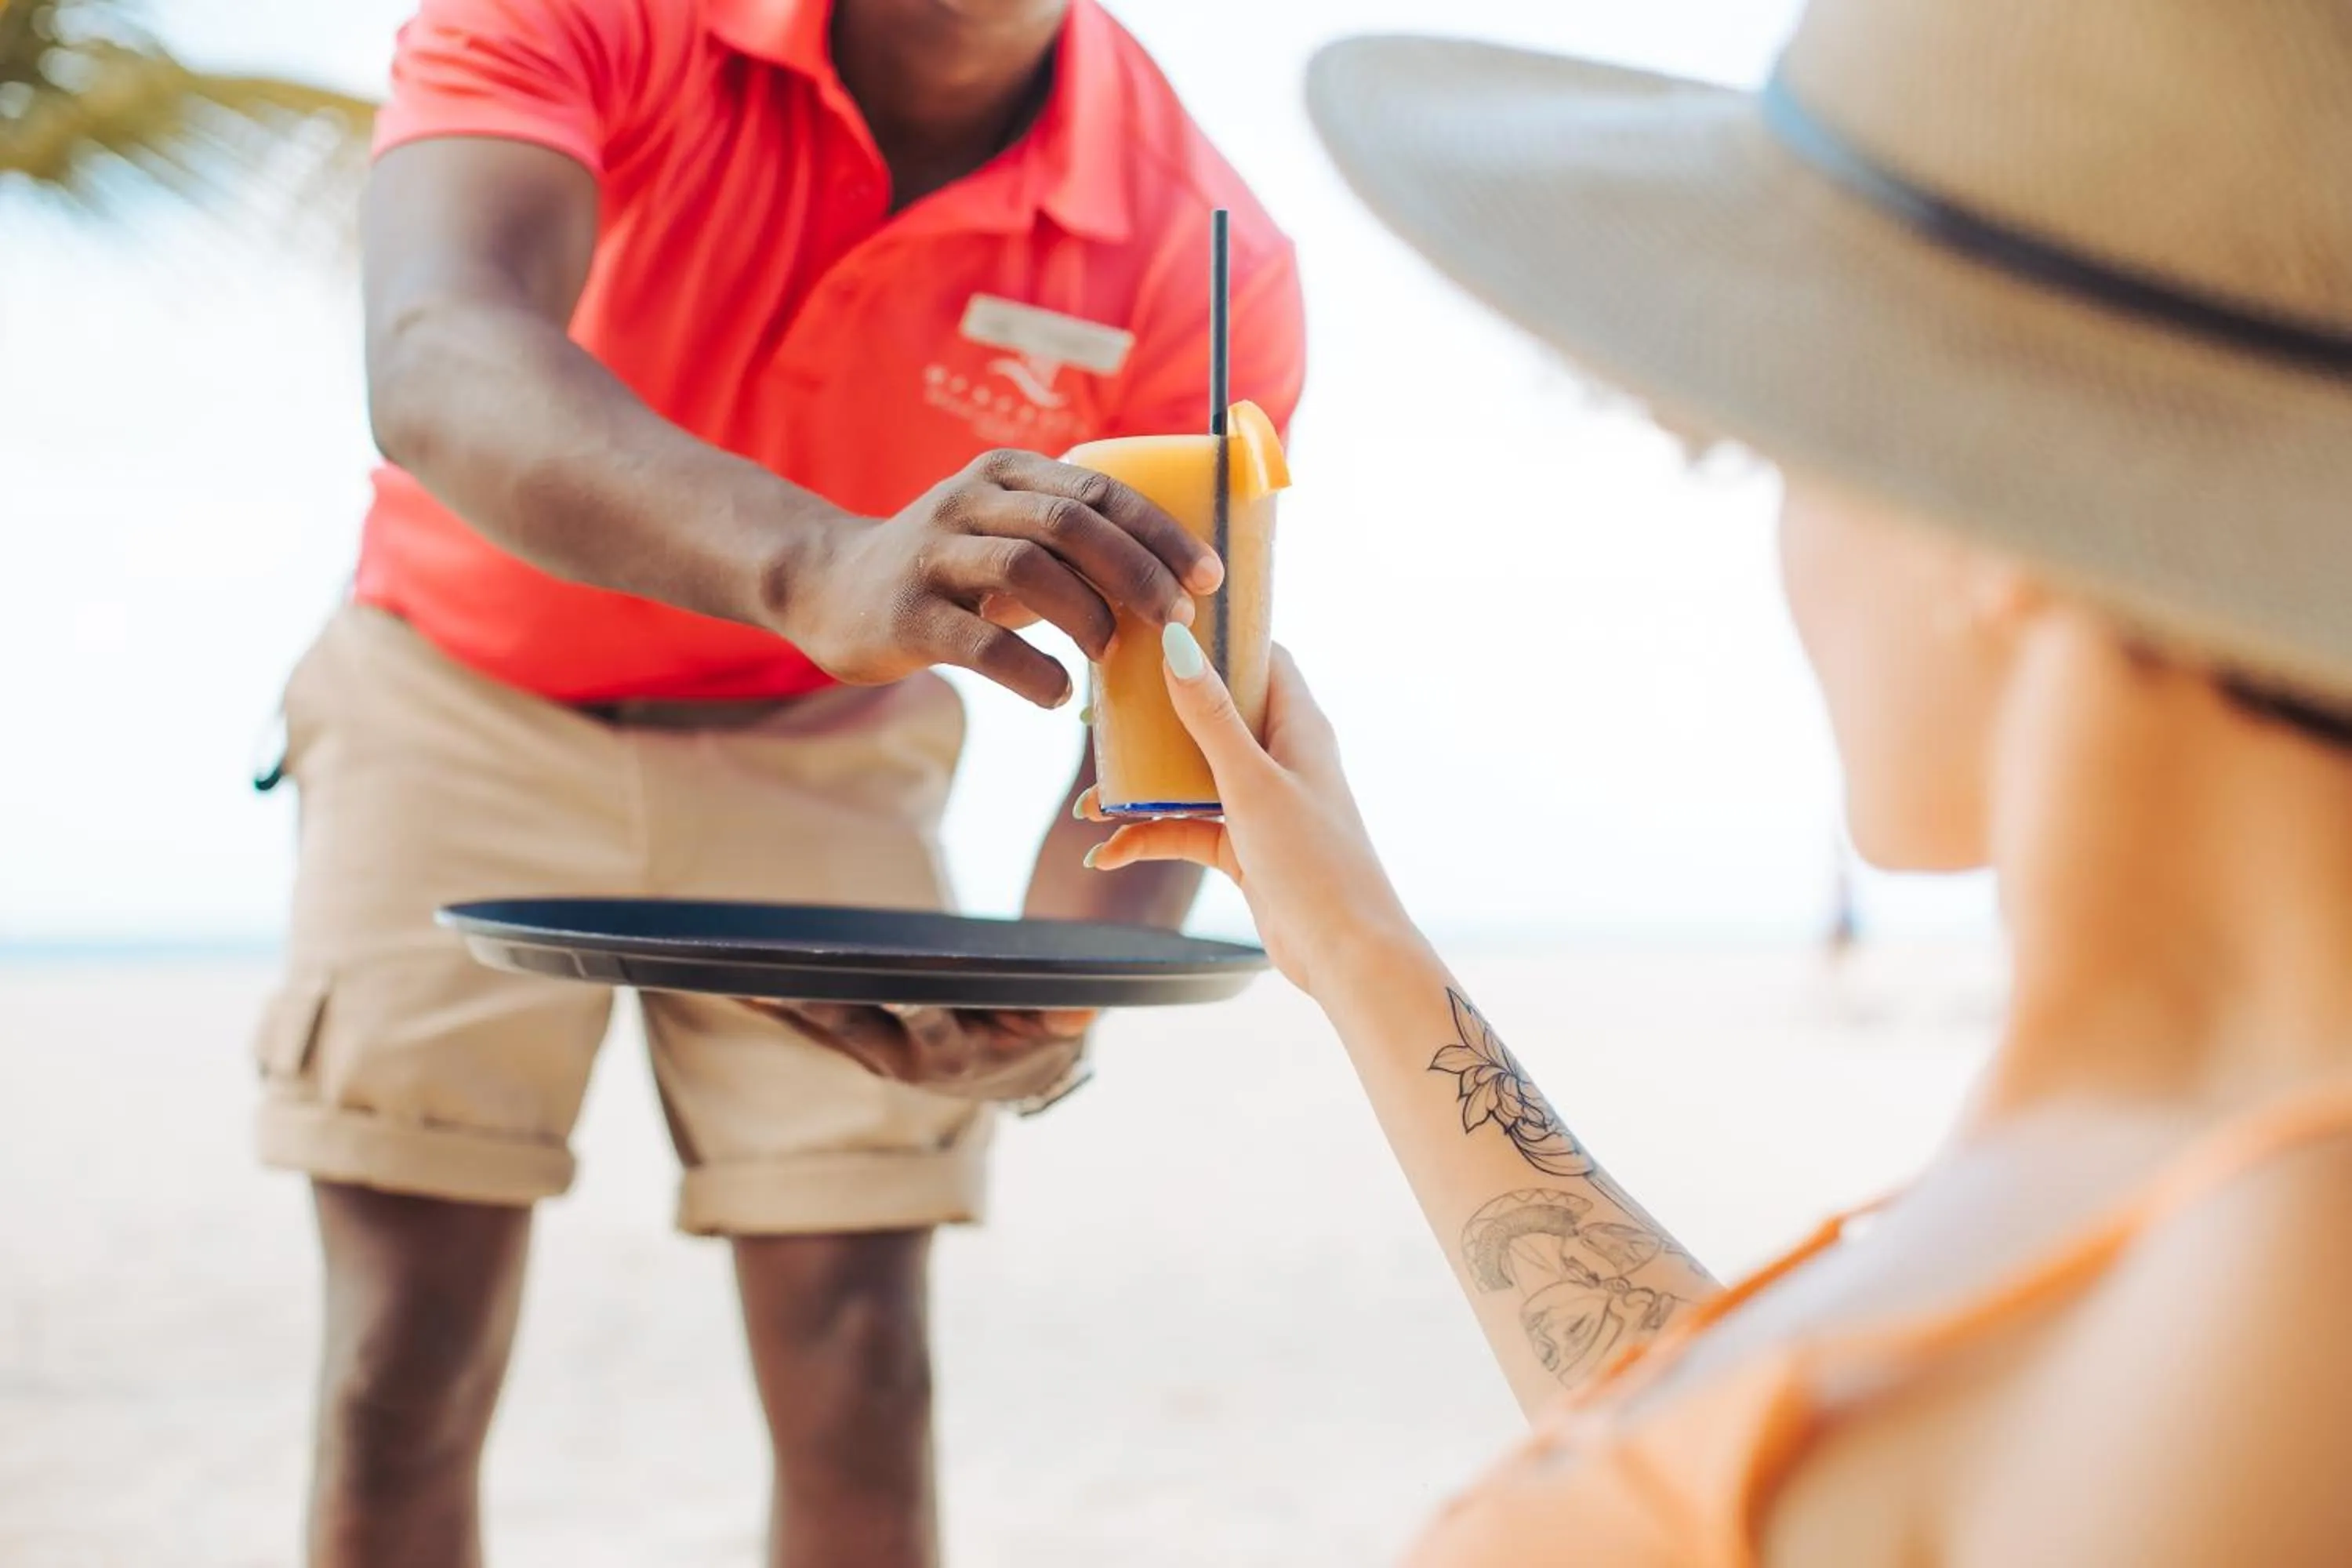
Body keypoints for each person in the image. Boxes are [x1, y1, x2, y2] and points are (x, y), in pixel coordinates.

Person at [1084, 2, 2352, 1562]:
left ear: (1985, 506)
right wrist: (1358, 947)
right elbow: (1783, 1493)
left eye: (1776, 455)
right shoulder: (2190, 1195)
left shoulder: (2288, 1264)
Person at [248, 0, 1302, 1563]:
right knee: (404, 1364)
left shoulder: (1189, 239)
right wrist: (816, 560)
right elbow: (433, 346)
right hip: (458, 695)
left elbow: (1170, 693)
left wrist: (1061, 985)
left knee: (863, 1363)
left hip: (824, 743)